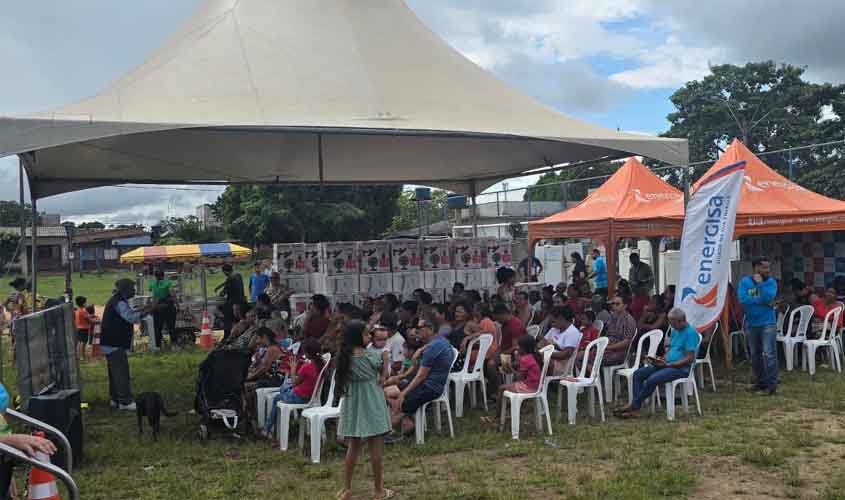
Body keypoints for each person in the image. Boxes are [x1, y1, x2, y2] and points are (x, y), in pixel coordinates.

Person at [336, 321, 393, 500]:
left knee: (353, 446)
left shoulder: (344, 357)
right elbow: (383, 376)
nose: (370, 338)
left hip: (353, 402)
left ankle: (347, 488)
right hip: (372, 400)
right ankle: (378, 490)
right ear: (358, 337)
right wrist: (385, 362)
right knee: (375, 447)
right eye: (367, 334)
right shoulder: (369, 355)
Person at [614, 307, 700, 418]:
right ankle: (635, 407)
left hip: (680, 368)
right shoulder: (675, 330)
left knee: (652, 379)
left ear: (681, 321)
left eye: (673, 323)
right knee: (638, 374)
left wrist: (669, 364)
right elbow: (671, 349)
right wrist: (661, 359)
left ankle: (634, 406)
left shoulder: (690, 333)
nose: (671, 326)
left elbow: (689, 358)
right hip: (666, 364)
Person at [389, 318, 454, 439]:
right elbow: (417, 370)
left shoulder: (433, 347)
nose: (415, 330)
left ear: (430, 329)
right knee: (388, 391)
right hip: (426, 384)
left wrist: (404, 393)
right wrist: (416, 355)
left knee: (401, 400)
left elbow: (420, 376)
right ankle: (406, 423)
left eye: (419, 328)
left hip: (430, 388)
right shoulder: (437, 342)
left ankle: (383, 433)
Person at [101, 279, 154, 410]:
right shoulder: (119, 302)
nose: (134, 291)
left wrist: (144, 307)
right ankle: (125, 402)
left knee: (114, 373)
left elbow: (128, 312)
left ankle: (115, 399)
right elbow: (130, 317)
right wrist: (148, 310)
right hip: (114, 342)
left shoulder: (117, 300)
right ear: (126, 289)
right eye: (132, 288)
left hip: (110, 342)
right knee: (121, 373)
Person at [264, 337, 324, 437]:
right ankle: (269, 429)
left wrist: (293, 368)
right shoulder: (321, 365)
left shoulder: (307, 366)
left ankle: (267, 428)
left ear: (307, 353)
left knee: (277, 397)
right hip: (311, 397)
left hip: (299, 397)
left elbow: (294, 382)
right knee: (285, 389)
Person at [480, 334, 542, 425]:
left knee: (501, 388)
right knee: (506, 388)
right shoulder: (532, 356)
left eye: (518, 346)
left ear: (523, 348)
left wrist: (511, 369)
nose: (517, 348)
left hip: (529, 387)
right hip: (535, 385)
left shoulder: (525, 359)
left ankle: (496, 417)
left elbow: (518, 377)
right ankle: (506, 411)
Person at [738, 257, 779, 395]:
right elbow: (743, 299)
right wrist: (761, 298)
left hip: (768, 323)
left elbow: (769, 298)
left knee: (769, 354)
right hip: (751, 323)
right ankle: (760, 383)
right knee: (755, 355)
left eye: (769, 267)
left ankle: (771, 386)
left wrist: (760, 285)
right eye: (765, 267)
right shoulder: (745, 281)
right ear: (756, 268)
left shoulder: (771, 282)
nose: (768, 270)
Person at [538, 306, 580, 375]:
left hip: (562, 365)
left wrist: (545, 354)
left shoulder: (572, 332)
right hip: (548, 358)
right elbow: (541, 343)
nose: (552, 324)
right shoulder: (554, 329)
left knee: (537, 361)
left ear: (561, 319)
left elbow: (565, 355)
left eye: (553, 321)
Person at [602, 295, 637, 368]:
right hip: (608, 349)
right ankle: (596, 378)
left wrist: (608, 347)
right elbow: (608, 335)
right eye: (613, 303)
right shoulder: (613, 317)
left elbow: (626, 342)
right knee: (584, 356)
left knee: (592, 358)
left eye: (617, 304)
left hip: (620, 352)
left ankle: (596, 378)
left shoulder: (629, 320)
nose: (614, 306)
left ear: (625, 306)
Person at [216, 263, 245, 341]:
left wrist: (219, 293)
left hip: (232, 303)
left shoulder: (230, 278)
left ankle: (227, 336)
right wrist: (219, 286)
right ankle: (237, 336)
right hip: (241, 302)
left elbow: (223, 293)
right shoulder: (238, 275)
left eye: (224, 273)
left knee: (227, 321)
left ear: (225, 271)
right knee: (237, 321)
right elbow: (226, 284)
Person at [148, 269, 176, 349]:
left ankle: (158, 346)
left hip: (157, 308)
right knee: (171, 327)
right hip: (168, 307)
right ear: (163, 276)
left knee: (157, 328)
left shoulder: (152, 284)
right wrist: (177, 304)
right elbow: (173, 294)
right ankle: (173, 344)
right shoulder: (168, 283)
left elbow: (151, 294)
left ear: (155, 276)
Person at [74, 296, 95, 360]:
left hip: (78, 328)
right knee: (83, 343)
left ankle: (78, 355)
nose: (87, 304)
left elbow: (85, 317)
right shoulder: (84, 311)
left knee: (80, 342)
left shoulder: (78, 310)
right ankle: (82, 356)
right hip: (84, 328)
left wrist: (90, 316)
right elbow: (88, 319)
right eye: (86, 302)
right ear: (83, 304)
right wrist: (95, 321)